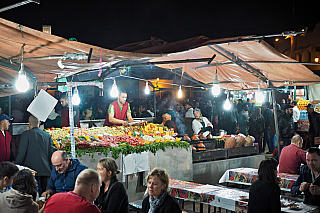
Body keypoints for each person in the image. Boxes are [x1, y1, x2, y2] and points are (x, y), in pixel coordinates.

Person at [15, 115, 53, 196]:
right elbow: (50, 154)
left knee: (31, 195)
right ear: (39, 123)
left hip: (30, 171)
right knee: (43, 195)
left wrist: (16, 166)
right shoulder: (47, 135)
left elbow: (22, 153)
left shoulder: (26, 134)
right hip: (45, 171)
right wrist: (51, 169)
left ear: (29, 123)